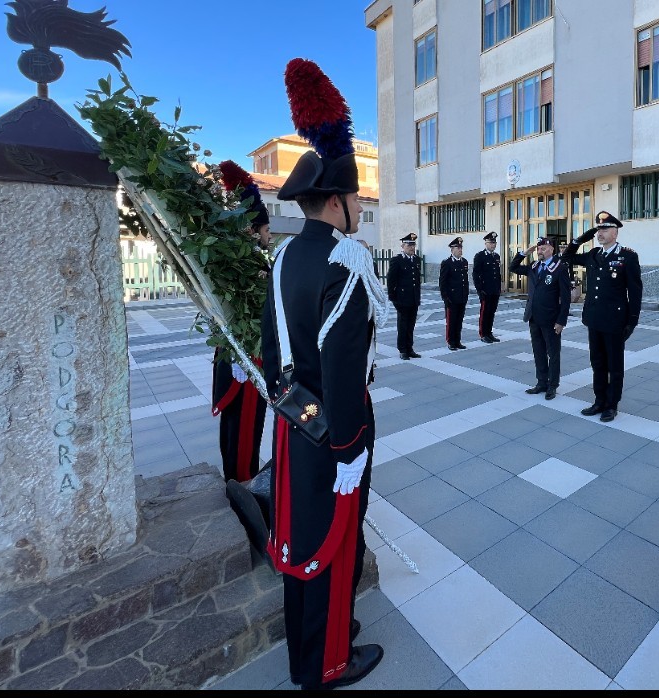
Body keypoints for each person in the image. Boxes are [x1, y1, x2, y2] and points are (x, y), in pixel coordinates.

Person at [260, 57, 388, 690]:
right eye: (358, 196)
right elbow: (342, 368)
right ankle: (327, 665)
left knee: (301, 546)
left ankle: (306, 651)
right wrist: (347, 450)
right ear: (336, 201)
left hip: (290, 428)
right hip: (336, 432)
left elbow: (268, 353)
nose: (363, 205)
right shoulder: (348, 262)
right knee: (335, 549)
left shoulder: (284, 259)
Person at [212, 160, 271, 483]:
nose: (270, 237)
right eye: (266, 230)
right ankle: (239, 479)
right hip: (243, 356)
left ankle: (237, 476)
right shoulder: (238, 264)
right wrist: (234, 353)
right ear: (252, 230)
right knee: (242, 423)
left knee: (247, 423)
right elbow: (220, 309)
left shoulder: (253, 260)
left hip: (254, 355)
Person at [561, 211, 642, 422]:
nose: (600, 233)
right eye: (598, 230)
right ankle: (599, 400)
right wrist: (579, 240)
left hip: (615, 320)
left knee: (614, 365)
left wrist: (632, 320)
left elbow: (635, 291)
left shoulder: (627, 256)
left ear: (615, 232)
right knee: (597, 362)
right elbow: (566, 257)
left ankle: (611, 405)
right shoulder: (594, 254)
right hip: (594, 318)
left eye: (604, 229)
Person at [509, 237, 571, 400]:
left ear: (551, 249)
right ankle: (541, 382)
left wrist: (561, 321)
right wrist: (523, 253)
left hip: (551, 319)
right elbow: (513, 267)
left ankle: (552, 385)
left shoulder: (559, 268)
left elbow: (565, 298)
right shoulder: (534, 266)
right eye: (538, 249)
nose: (539, 251)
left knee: (553, 353)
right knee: (538, 352)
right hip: (534, 317)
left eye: (542, 248)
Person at [386, 232, 423, 360]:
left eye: (413, 245)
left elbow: (416, 281)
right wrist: (393, 297)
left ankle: (410, 348)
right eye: (409, 245)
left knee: (411, 325)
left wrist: (417, 297)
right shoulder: (397, 260)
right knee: (402, 325)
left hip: (413, 298)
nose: (412, 248)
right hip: (402, 299)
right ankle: (402, 350)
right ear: (403, 246)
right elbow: (391, 280)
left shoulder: (417, 260)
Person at [440, 237, 469, 350]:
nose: (460, 250)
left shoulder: (464, 262)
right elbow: (443, 282)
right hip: (451, 298)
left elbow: (464, 281)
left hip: (461, 297)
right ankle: (451, 341)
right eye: (458, 247)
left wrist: (465, 294)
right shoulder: (447, 263)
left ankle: (457, 341)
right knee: (451, 321)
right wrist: (445, 297)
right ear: (452, 250)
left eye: (461, 247)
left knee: (459, 320)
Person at [473, 231, 503, 343]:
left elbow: (497, 274)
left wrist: (499, 287)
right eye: (491, 243)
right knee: (485, 313)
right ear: (485, 243)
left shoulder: (496, 256)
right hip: (485, 290)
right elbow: (476, 274)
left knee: (492, 312)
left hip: (495, 290)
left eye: (494, 243)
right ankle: (483, 334)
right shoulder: (480, 256)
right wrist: (480, 290)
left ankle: (489, 332)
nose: (493, 245)